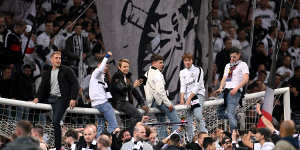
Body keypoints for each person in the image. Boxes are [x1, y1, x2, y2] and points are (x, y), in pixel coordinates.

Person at [33, 51, 80, 150]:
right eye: (56, 58)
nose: (58, 60)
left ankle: (58, 147)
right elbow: (42, 87)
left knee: (55, 122)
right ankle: (34, 138)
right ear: (51, 59)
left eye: (60, 58)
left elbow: (75, 84)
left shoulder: (67, 70)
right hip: (50, 98)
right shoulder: (47, 72)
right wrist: (38, 97)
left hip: (61, 99)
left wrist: (73, 98)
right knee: (33, 110)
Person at [144, 54, 180, 138]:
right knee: (176, 121)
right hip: (159, 101)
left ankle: (163, 144)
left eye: (162, 62)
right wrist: (168, 104)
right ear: (154, 63)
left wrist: (149, 104)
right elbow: (160, 91)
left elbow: (145, 89)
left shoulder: (146, 73)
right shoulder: (157, 73)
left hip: (152, 103)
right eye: (160, 62)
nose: (162, 64)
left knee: (162, 123)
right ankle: (174, 142)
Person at [111, 58, 149, 133]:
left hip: (127, 104)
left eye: (127, 67)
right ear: (119, 67)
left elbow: (135, 92)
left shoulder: (128, 77)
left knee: (127, 124)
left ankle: (126, 136)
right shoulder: (116, 77)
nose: (126, 68)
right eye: (124, 67)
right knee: (138, 116)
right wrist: (133, 86)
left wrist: (142, 104)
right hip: (120, 103)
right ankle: (129, 135)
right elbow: (121, 89)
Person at [216, 48, 249, 131]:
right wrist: (220, 87)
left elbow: (246, 79)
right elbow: (224, 78)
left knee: (230, 113)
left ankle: (234, 135)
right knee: (219, 114)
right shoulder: (228, 65)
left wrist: (236, 88)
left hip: (235, 91)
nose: (232, 59)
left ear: (239, 55)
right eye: (231, 57)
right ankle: (237, 117)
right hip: (225, 91)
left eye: (234, 57)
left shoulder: (243, 64)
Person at [89, 51, 119, 136]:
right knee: (114, 126)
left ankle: (99, 143)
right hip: (102, 103)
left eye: (107, 66)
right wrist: (106, 57)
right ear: (99, 65)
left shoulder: (102, 78)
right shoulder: (96, 74)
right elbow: (100, 68)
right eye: (104, 65)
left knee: (101, 126)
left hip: (98, 103)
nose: (106, 67)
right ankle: (104, 139)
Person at [179, 53, 208, 141]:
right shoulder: (182, 72)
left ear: (192, 61)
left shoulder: (198, 69)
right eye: (185, 61)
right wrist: (181, 99)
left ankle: (205, 137)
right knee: (187, 120)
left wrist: (189, 98)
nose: (187, 62)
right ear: (183, 62)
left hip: (197, 95)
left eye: (189, 60)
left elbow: (197, 86)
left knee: (198, 115)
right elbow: (183, 86)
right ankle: (191, 141)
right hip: (187, 98)